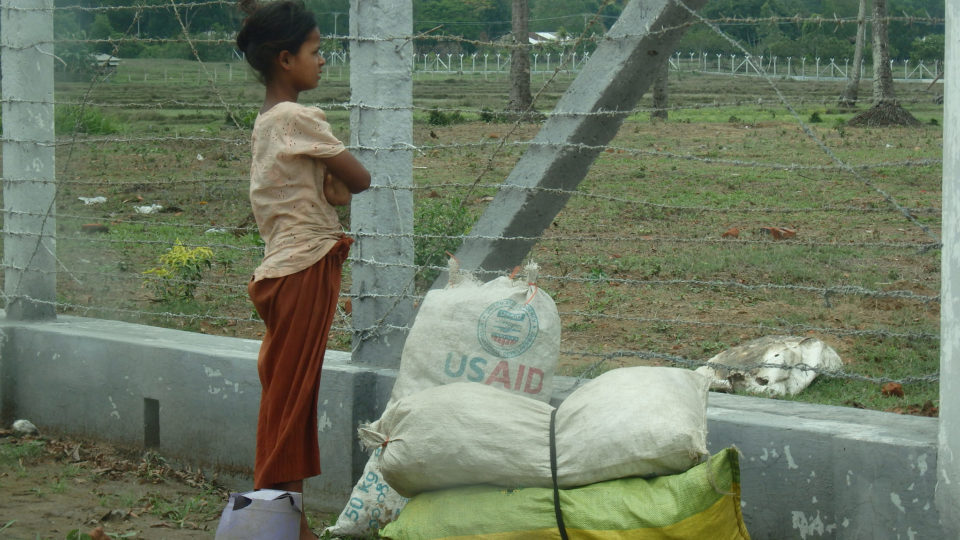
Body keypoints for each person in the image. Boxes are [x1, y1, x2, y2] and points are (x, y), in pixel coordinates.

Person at [236, 1, 370, 538]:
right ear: (286, 59)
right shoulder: (299, 118)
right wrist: (337, 181)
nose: (323, 61)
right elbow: (358, 179)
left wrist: (328, 186)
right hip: (306, 266)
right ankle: (273, 523)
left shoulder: (269, 120)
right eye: (316, 52)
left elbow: (328, 188)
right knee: (292, 403)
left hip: (277, 271)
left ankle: (285, 522)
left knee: (282, 394)